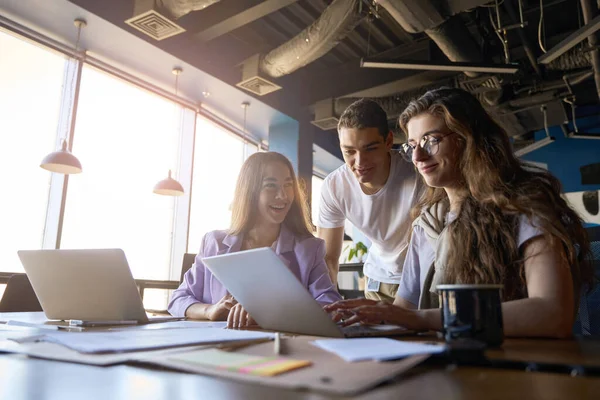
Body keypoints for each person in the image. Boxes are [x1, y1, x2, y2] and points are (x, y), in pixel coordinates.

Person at [325, 87, 593, 338]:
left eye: (431, 140)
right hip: (447, 367)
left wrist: (426, 319)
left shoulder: (525, 207)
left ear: (467, 138)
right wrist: (364, 323)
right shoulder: (425, 223)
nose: (417, 157)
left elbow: (553, 313)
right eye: (412, 144)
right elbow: (405, 310)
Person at [169, 151, 341, 328]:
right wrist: (210, 310)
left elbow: (331, 306)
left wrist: (270, 313)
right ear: (250, 191)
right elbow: (178, 299)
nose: (283, 196)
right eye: (271, 186)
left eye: (288, 185)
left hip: (278, 347)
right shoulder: (214, 242)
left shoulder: (309, 249)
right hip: (219, 346)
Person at [316, 99, 423, 302]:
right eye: (349, 151)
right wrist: (326, 306)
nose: (360, 162)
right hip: (378, 280)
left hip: (420, 278)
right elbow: (328, 259)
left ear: (389, 141)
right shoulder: (334, 187)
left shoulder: (418, 172)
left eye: (370, 149)